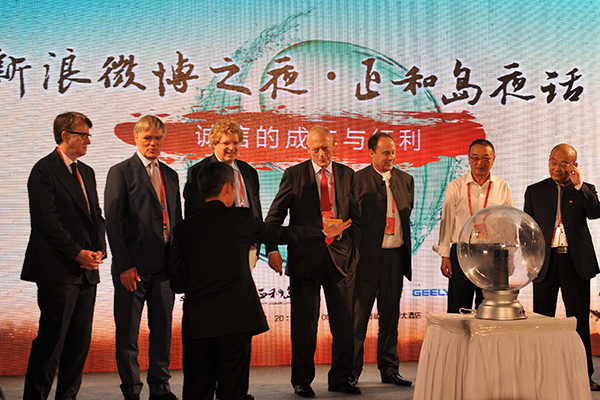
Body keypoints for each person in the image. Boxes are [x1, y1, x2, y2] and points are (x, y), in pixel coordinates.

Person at [169, 162, 352, 400]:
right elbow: (283, 234)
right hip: (236, 321)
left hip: (198, 322)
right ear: (228, 187)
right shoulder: (241, 219)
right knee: (233, 390)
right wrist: (321, 234)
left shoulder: (183, 230)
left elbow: (178, 283)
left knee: (196, 388)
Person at [264, 125, 360, 396]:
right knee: (304, 324)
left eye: (325, 148)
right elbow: (274, 218)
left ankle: (341, 378)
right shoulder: (294, 175)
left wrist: (354, 252)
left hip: (340, 260)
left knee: (344, 323)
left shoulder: (347, 174)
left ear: (333, 145)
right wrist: (272, 250)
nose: (321, 154)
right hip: (305, 259)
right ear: (307, 149)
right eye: (315, 149)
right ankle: (302, 380)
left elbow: (357, 218)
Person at [21, 112, 106, 400]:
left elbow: (96, 216)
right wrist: (76, 253)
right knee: (52, 342)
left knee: (79, 343)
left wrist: (99, 250)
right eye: (83, 135)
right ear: (65, 135)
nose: (88, 141)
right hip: (57, 271)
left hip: (87, 271)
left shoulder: (87, 172)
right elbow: (46, 222)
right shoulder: (44, 170)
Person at [105, 115, 183, 400]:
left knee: (162, 332)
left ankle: (160, 386)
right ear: (136, 138)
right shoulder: (120, 172)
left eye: (158, 138)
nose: (153, 143)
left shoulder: (170, 174)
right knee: (128, 334)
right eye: (147, 137)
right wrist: (124, 265)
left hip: (165, 267)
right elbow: (113, 223)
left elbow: (176, 221)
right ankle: (132, 390)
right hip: (132, 269)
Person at [524, 143, 600, 391]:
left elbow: (595, 212)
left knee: (578, 321)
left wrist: (579, 186)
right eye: (553, 162)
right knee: (542, 320)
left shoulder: (584, 189)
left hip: (575, 263)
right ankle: (541, 375)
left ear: (573, 166)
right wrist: (530, 261)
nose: (556, 168)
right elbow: (527, 231)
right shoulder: (534, 191)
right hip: (545, 263)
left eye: (563, 164)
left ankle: (583, 375)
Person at [351, 132, 413, 387]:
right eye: (385, 152)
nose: (391, 157)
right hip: (366, 259)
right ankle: (351, 372)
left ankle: (389, 369)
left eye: (394, 152)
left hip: (394, 258)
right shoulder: (357, 180)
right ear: (371, 153)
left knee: (390, 317)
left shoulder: (406, 180)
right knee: (358, 319)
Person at [434, 139, 513, 313]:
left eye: (485, 158)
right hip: (463, 251)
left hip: (494, 253)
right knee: (458, 308)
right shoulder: (456, 186)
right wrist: (445, 255)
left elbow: (508, 223)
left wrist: (509, 255)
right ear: (469, 159)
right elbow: (447, 222)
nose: (480, 162)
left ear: (493, 159)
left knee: (492, 309)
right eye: (475, 158)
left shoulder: (502, 186)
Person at [183, 119, 262, 270]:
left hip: (246, 250)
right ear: (214, 144)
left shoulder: (249, 171)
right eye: (226, 143)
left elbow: (256, 211)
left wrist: (255, 247)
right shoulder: (199, 171)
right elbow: (192, 216)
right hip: (213, 253)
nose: (232, 148)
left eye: (235, 143)